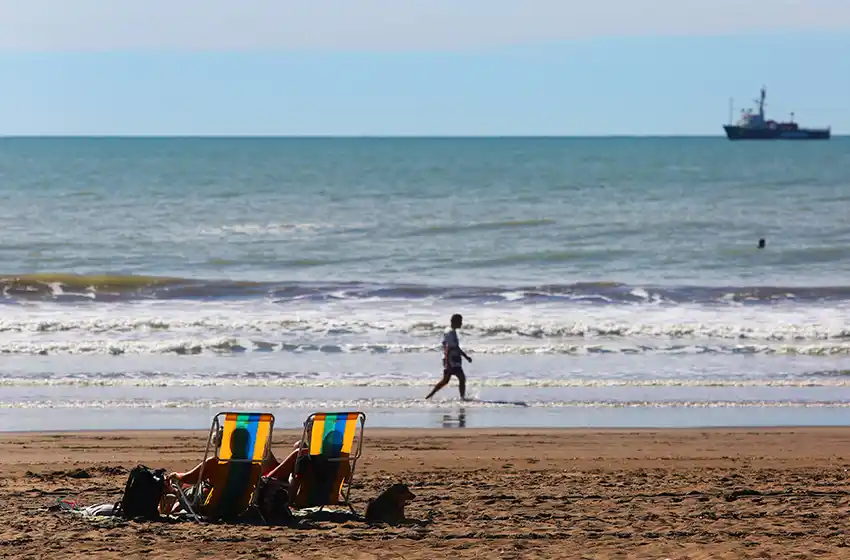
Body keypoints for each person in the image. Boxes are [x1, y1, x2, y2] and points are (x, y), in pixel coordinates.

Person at [425, 313, 472, 400]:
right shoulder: (451, 332)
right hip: (452, 359)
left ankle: (430, 395)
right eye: (460, 322)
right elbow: (454, 347)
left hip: (449, 358)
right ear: (455, 322)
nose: (461, 323)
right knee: (461, 378)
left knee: (446, 380)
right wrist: (466, 357)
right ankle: (462, 398)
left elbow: (445, 344)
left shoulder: (448, 330)